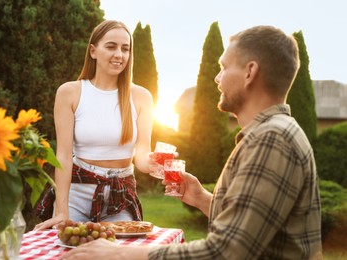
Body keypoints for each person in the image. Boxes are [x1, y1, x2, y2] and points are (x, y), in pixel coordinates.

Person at [59, 25, 323, 259]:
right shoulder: (271, 134)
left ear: (249, 72)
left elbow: (224, 251)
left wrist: (121, 254)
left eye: (224, 67)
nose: (217, 78)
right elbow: (252, 225)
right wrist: (202, 199)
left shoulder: (271, 140)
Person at [34, 20, 156, 230]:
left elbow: (142, 155)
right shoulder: (69, 93)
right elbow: (63, 156)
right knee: (68, 249)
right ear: (93, 51)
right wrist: (62, 211)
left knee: (120, 253)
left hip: (121, 194)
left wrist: (159, 165)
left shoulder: (141, 97)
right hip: (77, 193)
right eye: (111, 46)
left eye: (125, 49)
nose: (119, 54)